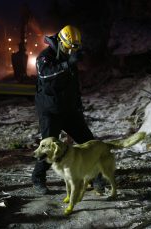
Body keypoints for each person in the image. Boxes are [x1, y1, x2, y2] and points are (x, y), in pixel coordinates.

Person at [33, 25, 106, 194]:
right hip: (50, 110)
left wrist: (78, 104)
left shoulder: (69, 57)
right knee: (48, 147)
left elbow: (73, 84)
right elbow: (45, 75)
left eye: (73, 48)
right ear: (60, 41)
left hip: (69, 109)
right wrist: (67, 64)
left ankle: (96, 178)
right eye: (67, 47)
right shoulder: (45, 57)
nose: (70, 51)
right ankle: (38, 178)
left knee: (89, 143)